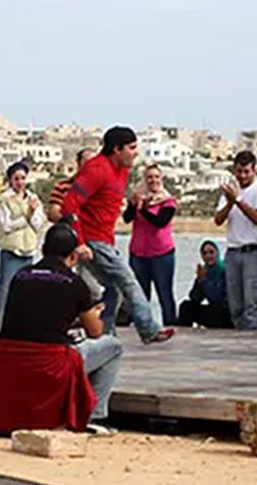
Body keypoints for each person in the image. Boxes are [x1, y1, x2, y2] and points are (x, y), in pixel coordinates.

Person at [0, 223, 124, 436]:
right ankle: (94, 415)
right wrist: (94, 314)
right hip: (50, 364)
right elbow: (95, 331)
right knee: (114, 346)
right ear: (73, 256)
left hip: (9, 358)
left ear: (43, 250)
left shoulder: (21, 276)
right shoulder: (75, 283)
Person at [61, 126, 175, 343]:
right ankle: (149, 329)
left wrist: (133, 202)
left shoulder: (122, 170)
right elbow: (70, 204)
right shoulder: (97, 170)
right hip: (93, 240)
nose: (135, 153)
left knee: (114, 288)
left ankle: (103, 333)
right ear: (117, 149)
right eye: (131, 148)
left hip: (106, 239)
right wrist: (80, 242)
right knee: (128, 281)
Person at [216, 150, 257, 331]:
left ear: (254, 170)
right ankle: (240, 341)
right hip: (233, 251)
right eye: (239, 171)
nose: (243, 176)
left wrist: (238, 200)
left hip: (254, 251)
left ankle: (255, 344)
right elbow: (218, 219)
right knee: (236, 305)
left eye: (246, 171)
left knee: (253, 303)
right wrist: (230, 201)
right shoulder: (230, 191)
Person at [0, 161, 47, 324]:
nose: (20, 182)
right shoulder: (5, 200)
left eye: (23, 178)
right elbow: (6, 225)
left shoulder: (33, 199)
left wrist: (32, 213)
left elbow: (38, 223)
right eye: (16, 178)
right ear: (10, 180)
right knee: (4, 291)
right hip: (11, 250)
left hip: (28, 250)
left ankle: (22, 325)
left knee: (26, 292)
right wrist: (26, 216)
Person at [124, 162, 178, 322]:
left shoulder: (168, 201)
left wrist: (142, 209)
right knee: (140, 295)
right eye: (149, 177)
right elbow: (127, 218)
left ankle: (170, 324)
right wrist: (134, 205)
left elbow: (160, 221)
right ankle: (144, 326)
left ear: (161, 179)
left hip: (162, 254)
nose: (153, 180)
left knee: (164, 294)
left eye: (156, 177)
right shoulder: (139, 198)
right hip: (138, 254)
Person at [177, 240, 233, 329]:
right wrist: (200, 281)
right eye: (205, 253)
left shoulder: (226, 271)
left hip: (225, 313)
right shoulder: (204, 272)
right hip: (213, 312)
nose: (208, 256)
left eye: (211, 252)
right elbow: (194, 299)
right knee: (185, 306)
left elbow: (224, 299)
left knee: (219, 311)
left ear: (217, 253)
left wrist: (208, 284)